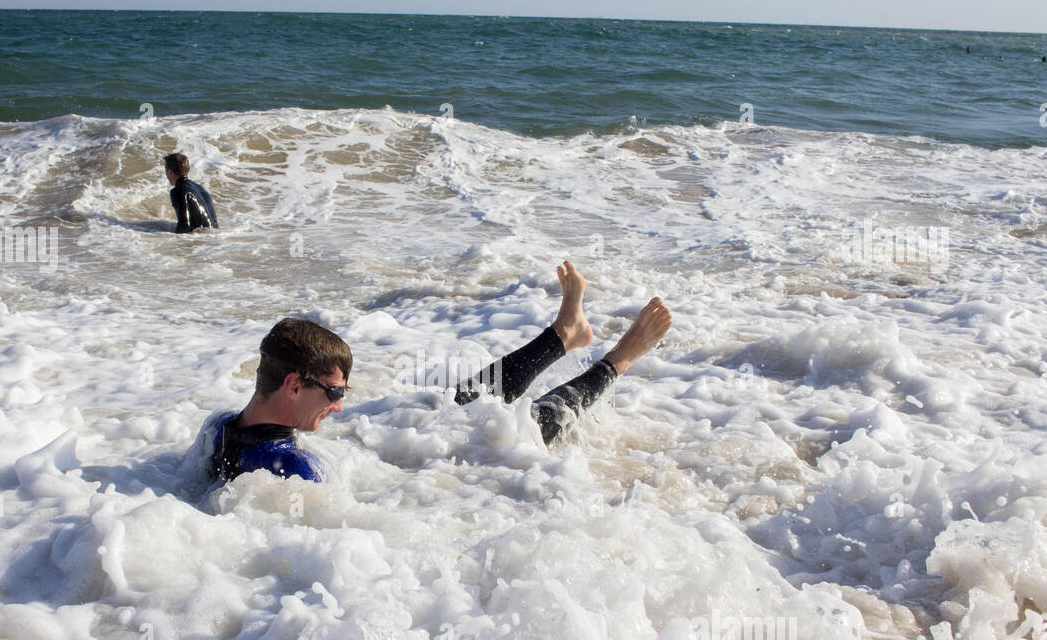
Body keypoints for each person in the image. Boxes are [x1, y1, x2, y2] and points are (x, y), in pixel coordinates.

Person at [192, 261, 671, 485]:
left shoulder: (216, 428)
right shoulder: (294, 469)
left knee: (465, 400)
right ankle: (621, 357)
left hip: (385, 448)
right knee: (527, 426)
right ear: (294, 384)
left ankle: (565, 334)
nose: (340, 405)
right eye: (334, 392)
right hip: (415, 479)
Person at [163, 153, 219, 233]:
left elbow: (184, 225)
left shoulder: (178, 191)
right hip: (215, 239)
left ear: (169, 172)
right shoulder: (201, 189)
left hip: (201, 241)